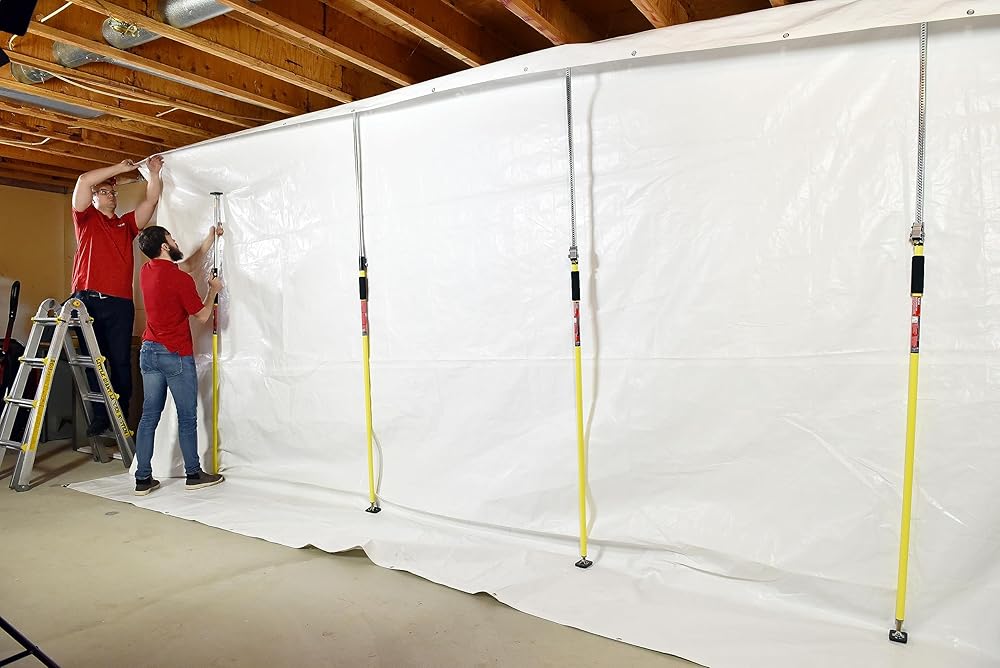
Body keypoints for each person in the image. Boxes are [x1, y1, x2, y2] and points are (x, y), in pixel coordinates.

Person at [71, 156, 164, 436]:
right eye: (104, 192)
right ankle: (100, 416)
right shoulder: (85, 219)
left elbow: (151, 200)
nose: (110, 195)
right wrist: (121, 169)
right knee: (93, 360)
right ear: (94, 198)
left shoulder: (126, 225)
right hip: (87, 300)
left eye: (112, 192)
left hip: (120, 304)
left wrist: (154, 173)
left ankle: (120, 414)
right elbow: (83, 180)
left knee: (121, 361)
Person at [132, 224, 225, 495]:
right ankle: (193, 474)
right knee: (187, 417)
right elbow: (203, 316)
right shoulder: (180, 280)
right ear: (164, 246)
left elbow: (189, 264)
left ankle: (142, 479)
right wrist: (213, 290)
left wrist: (210, 238)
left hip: (148, 351)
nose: (175, 241)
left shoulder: (146, 271)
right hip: (175, 355)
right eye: (171, 238)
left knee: (149, 417)